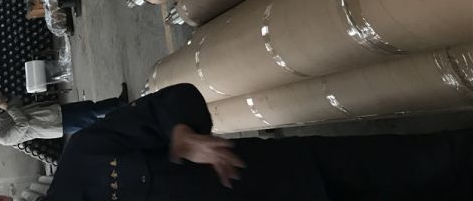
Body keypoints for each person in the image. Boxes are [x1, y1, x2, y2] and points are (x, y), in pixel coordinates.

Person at [38, 83, 473, 200]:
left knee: (430, 161)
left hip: (297, 174)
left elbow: (174, 100)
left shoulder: (85, 155)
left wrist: (181, 136)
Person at [0, 84, 129, 147]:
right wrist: (7, 108)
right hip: (55, 124)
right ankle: (121, 109)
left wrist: (6, 100)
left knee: (88, 107)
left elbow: (17, 106)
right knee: (91, 117)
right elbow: (23, 124)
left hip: (51, 113)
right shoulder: (3, 138)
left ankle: (119, 103)